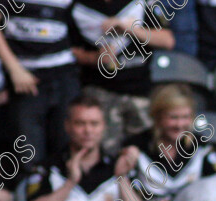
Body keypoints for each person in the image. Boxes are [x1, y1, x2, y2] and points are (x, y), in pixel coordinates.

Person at [26, 95, 144, 201]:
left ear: (104, 127)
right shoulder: (48, 167)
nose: (88, 130)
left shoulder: (119, 164)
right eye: (80, 123)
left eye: (94, 124)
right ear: (67, 126)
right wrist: (70, 182)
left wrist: (121, 178)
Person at [70, 0, 175, 155]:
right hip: (100, 93)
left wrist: (129, 28)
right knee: (104, 153)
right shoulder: (79, 8)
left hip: (140, 92)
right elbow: (66, 50)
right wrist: (94, 57)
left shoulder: (142, 4)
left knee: (144, 153)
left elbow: (167, 40)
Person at [0, 1, 80, 166]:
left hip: (63, 73)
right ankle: (33, 188)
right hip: (26, 78)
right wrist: (15, 69)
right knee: (29, 150)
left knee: (67, 143)